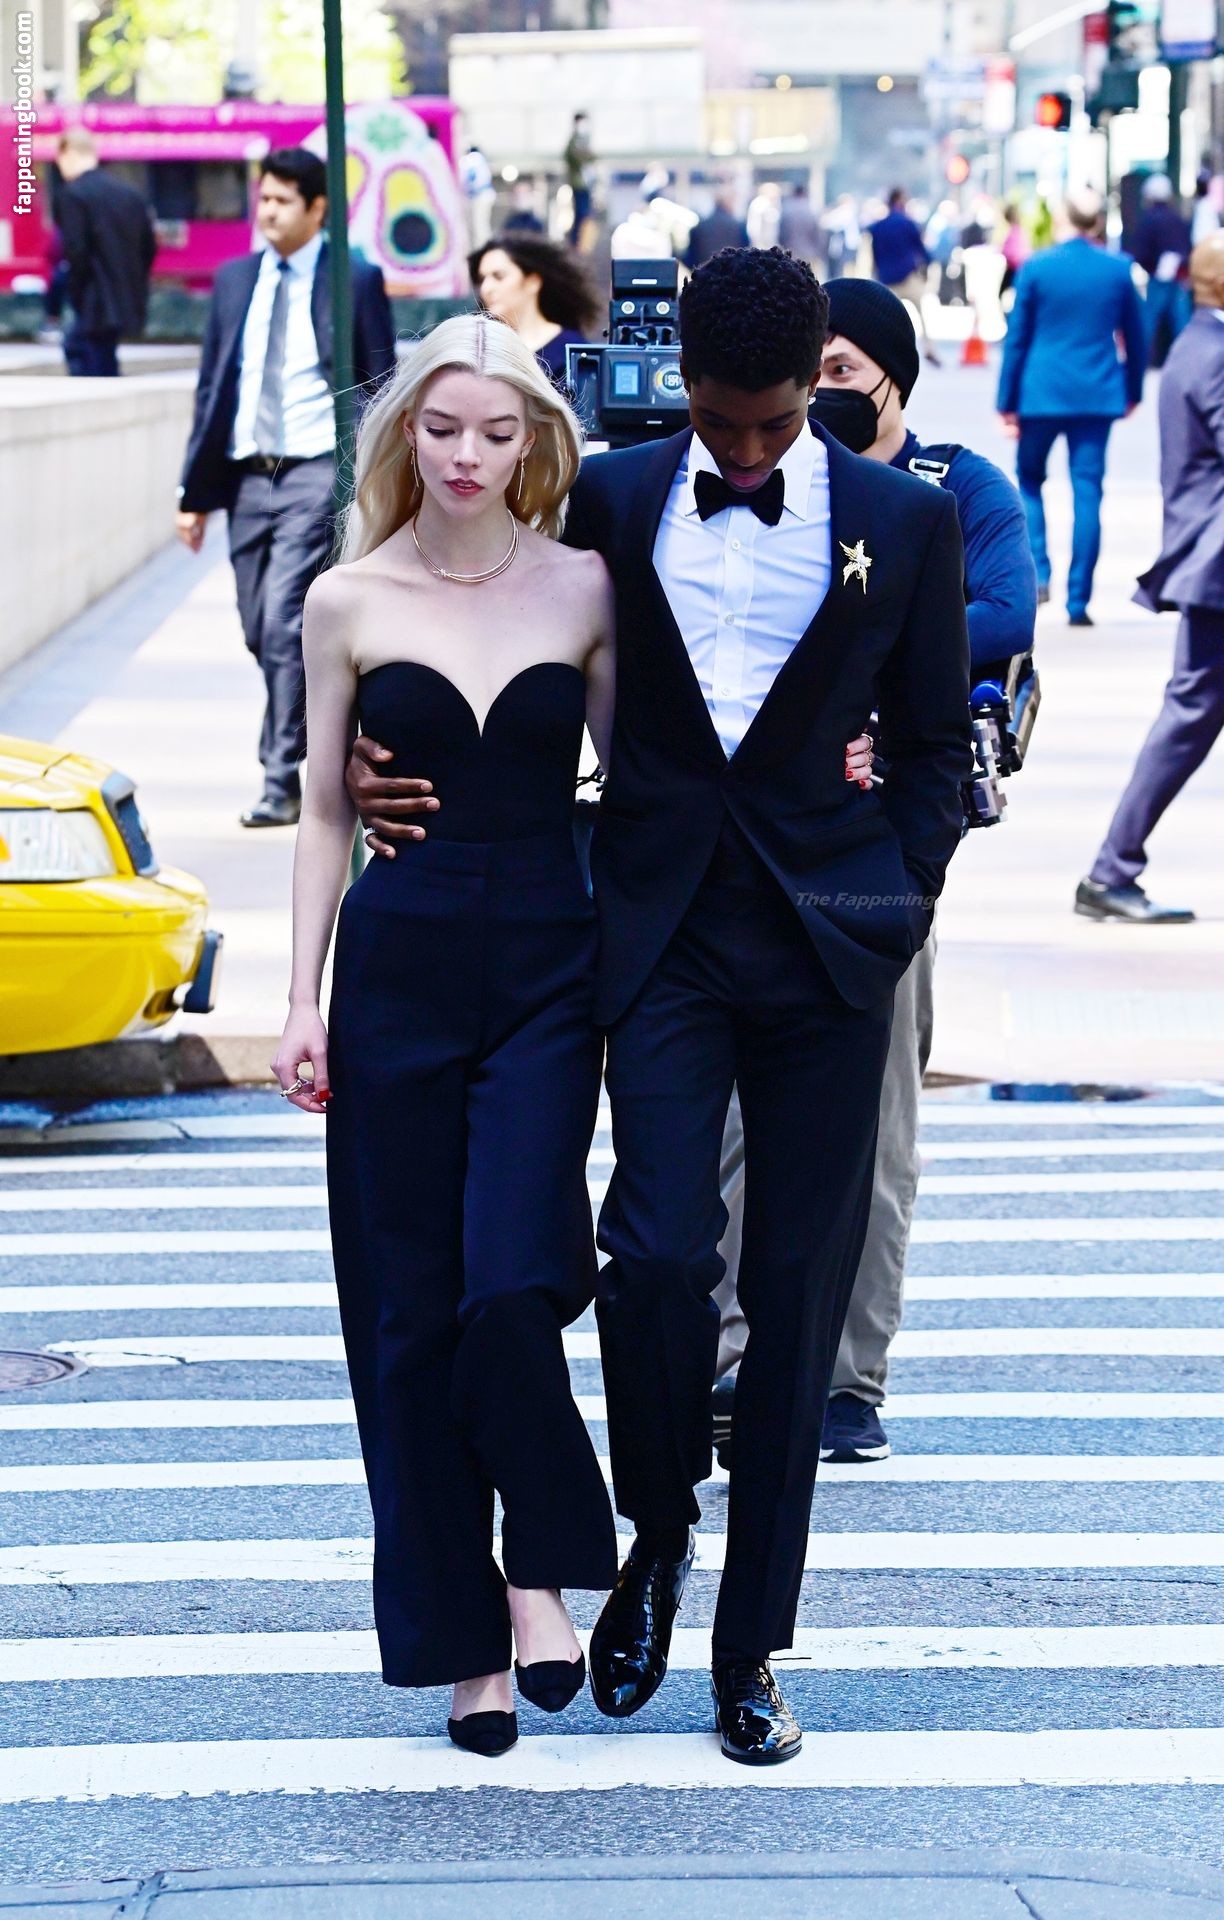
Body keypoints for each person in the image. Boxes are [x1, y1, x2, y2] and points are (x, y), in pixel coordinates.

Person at [348, 246, 973, 1765]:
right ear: (680, 384)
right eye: (718, 420)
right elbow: (476, 609)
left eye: (774, 422)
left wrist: (897, 901)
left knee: (801, 1293)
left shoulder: (907, 520)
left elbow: (933, 750)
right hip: (661, 937)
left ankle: (751, 1650)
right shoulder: (613, 501)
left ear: (819, 381)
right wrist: (378, 756)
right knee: (655, 1261)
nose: (746, 451)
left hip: (833, 949)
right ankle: (657, 1535)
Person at [274, 314, 619, 1757]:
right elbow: (321, 811)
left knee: (511, 1280)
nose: (467, 455)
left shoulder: (588, 584)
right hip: (397, 969)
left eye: (496, 430)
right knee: (406, 1318)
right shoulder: (345, 597)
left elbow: (644, 788)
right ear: (402, 433)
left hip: (548, 967)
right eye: (441, 427)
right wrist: (301, 998)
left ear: (535, 440)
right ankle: (465, 1643)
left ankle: (542, 1565)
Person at [713, 275, 1035, 1466]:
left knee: (876, 1124)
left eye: (843, 370)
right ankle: (733, 1359)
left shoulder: (953, 488)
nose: (823, 390)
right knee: (730, 1127)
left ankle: (848, 1378)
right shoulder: (760, 481)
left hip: (874, 852)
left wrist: (878, 630)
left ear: (893, 376)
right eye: (813, 371)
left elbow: (1007, 614)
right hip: (745, 845)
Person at [176, 147, 396, 828]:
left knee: (283, 623)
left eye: (281, 201)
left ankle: (280, 777)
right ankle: (300, 735)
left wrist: (375, 480)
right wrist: (192, 493)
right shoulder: (235, 278)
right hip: (247, 472)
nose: (266, 212)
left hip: (314, 467)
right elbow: (213, 385)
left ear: (317, 208)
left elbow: (381, 378)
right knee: (257, 626)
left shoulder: (353, 278)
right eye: (262, 199)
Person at [1076, 232, 1224, 926]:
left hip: (1208, 562)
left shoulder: (1198, 342)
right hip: (1215, 566)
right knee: (1187, 718)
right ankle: (1111, 869)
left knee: (1188, 718)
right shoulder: (1215, 352)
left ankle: (1113, 868)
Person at [997, 188, 1145, 627]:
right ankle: (1079, 600)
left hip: (1040, 391)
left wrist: (1006, 401)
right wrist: (1133, 390)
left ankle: (1040, 573)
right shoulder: (1117, 269)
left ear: (1064, 218)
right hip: (1096, 393)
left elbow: (1017, 338)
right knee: (1088, 490)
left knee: (1030, 480)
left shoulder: (1036, 267)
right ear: (1098, 222)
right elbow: (1136, 337)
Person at [54, 127, 156, 377]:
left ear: (69, 154)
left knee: (82, 355)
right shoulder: (131, 195)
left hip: (92, 299)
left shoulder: (74, 195)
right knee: (105, 358)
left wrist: (75, 292)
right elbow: (149, 247)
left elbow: (76, 251)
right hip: (126, 295)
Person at [469, 234, 599, 385]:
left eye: (499, 277)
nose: (486, 288)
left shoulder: (572, 351)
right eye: (482, 279)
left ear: (533, 282)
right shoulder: (482, 349)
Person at [868, 187, 940, 367]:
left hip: (887, 279)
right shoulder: (907, 223)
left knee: (884, 318)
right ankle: (929, 348)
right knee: (922, 314)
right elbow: (920, 248)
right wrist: (929, 264)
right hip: (908, 276)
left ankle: (881, 353)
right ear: (900, 200)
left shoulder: (878, 227)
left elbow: (875, 255)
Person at [1133, 174, 1192, 368]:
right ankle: (1187, 363)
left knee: (1149, 324)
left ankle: (1142, 362)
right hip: (1178, 278)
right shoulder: (1177, 218)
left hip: (1160, 280)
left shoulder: (1149, 220)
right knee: (1181, 324)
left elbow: (1140, 252)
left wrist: (1153, 267)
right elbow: (1187, 247)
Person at [684, 186, 750, 269]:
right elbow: (746, 254)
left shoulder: (699, 227)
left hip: (704, 273)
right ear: (729, 202)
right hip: (733, 274)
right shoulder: (739, 226)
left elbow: (689, 259)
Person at [563, 113, 595, 247]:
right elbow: (573, 158)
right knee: (580, 214)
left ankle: (582, 243)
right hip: (579, 184)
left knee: (585, 215)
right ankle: (575, 243)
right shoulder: (574, 142)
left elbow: (592, 157)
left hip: (586, 183)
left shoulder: (585, 140)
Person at [459, 145, 497, 251]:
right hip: (483, 194)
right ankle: (483, 249)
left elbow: (469, 180)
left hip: (480, 195)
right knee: (480, 226)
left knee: (479, 226)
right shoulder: (480, 160)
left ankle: (483, 251)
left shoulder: (473, 159)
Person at [778, 182, 823, 267]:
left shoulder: (786, 209)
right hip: (809, 252)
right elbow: (818, 234)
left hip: (790, 252)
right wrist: (818, 251)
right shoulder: (812, 209)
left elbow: (781, 234)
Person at [747, 181, 782, 250]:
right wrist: (758, 246)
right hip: (761, 245)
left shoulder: (773, 204)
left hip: (770, 244)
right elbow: (754, 228)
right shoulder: (759, 204)